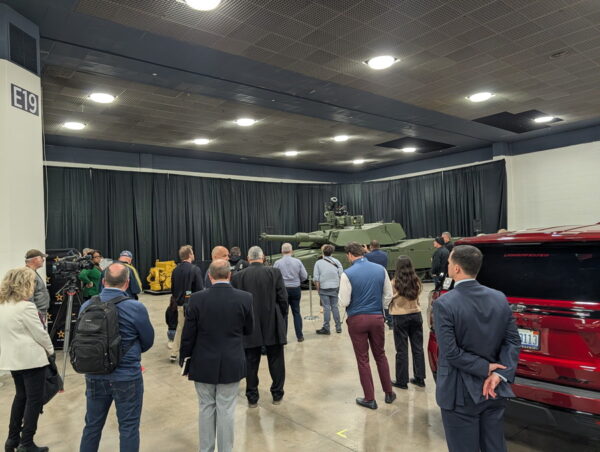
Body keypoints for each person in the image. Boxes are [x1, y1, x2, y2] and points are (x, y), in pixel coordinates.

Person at [433, 245, 521, 452]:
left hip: (459, 393)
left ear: (456, 268)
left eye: (449, 263)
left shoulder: (444, 304)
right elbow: (513, 341)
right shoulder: (499, 297)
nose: (447, 266)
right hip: (494, 389)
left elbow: (451, 352)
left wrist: (486, 368)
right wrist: (500, 374)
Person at [79, 263, 154, 452]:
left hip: (95, 374)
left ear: (104, 282)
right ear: (127, 283)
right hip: (127, 376)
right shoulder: (135, 307)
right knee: (128, 427)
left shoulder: (87, 306)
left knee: (92, 425)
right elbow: (148, 341)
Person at [180, 259, 253, 452]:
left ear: (210, 276)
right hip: (232, 360)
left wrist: (184, 360)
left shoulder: (196, 299)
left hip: (203, 361)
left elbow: (188, 335)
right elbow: (249, 329)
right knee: (226, 409)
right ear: (230, 275)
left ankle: (206, 449)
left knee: (206, 407)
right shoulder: (245, 298)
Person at [0, 267, 54, 452]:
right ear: (25, 284)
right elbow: (40, 334)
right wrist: (50, 351)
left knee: (21, 396)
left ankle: (12, 440)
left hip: (14, 360)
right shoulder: (26, 307)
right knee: (34, 400)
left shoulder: (3, 304)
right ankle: (27, 443)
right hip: (31, 360)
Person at [339, 242, 395, 410]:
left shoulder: (347, 274)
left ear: (350, 255)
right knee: (381, 355)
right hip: (377, 317)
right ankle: (389, 392)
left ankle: (370, 398)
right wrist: (380, 308)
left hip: (357, 319)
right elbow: (388, 294)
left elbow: (344, 301)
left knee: (363, 359)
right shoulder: (380, 270)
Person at [231, 246, 288, 407]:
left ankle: (252, 397)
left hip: (249, 324)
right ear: (263, 258)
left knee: (250, 361)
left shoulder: (238, 276)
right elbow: (283, 298)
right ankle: (277, 394)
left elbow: (236, 304)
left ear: (248, 259)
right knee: (276, 360)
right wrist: (282, 316)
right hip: (272, 321)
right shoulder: (274, 273)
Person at [389, 256, 426, 390]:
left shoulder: (394, 283)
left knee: (401, 350)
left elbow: (388, 299)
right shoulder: (416, 281)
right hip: (416, 314)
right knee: (418, 348)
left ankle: (402, 380)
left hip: (400, 316)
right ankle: (420, 378)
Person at [169, 245, 204, 362]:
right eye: (192, 253)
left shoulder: (175, 270)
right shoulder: (195, 269)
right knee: (196, 329)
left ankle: (174, 353)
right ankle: (192, 352)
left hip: (180, 305)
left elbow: (173, 289)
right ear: (190, 255)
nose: (194, 254)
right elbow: (199, 290)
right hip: (193, 305)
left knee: (181, 327)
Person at [273, 243, 307, 342]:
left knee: (284, 313)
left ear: (282, 251)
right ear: (292, 251)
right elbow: (304, 276)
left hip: (283, 290)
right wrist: (297, 280)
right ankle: (300, 336)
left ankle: (283, 337)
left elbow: (274, 277)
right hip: (295, 289)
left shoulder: (277, 263)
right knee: (296, 312)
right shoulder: (298, 261)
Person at [313, 244, 343, 335]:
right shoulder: (337, 261)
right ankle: (338, 327)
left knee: (326, 308)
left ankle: (326, 328)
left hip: (323, 288)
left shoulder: (318, 263)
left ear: (323, 252)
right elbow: (341, 275)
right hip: (335, 287)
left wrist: (318, 290)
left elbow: (316, 278)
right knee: (335, 307)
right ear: (332, 252)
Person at [364, 240, 392, 329]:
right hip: (384, 277)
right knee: (386, 300)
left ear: (371, 246)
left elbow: (369, 259)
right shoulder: (385, 254)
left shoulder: (367, 256)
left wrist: (366, 251)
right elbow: (375, 256)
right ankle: (390, 321)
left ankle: (379, 319)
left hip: (372, 280)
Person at [24, 249, 50, 326]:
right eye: (41, 258)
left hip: (38, 312)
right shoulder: (29, 274)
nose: (43, 260)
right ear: (35, 259)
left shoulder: (32, 272)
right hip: (36, 314)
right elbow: (28, 297)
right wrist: (35, 314)